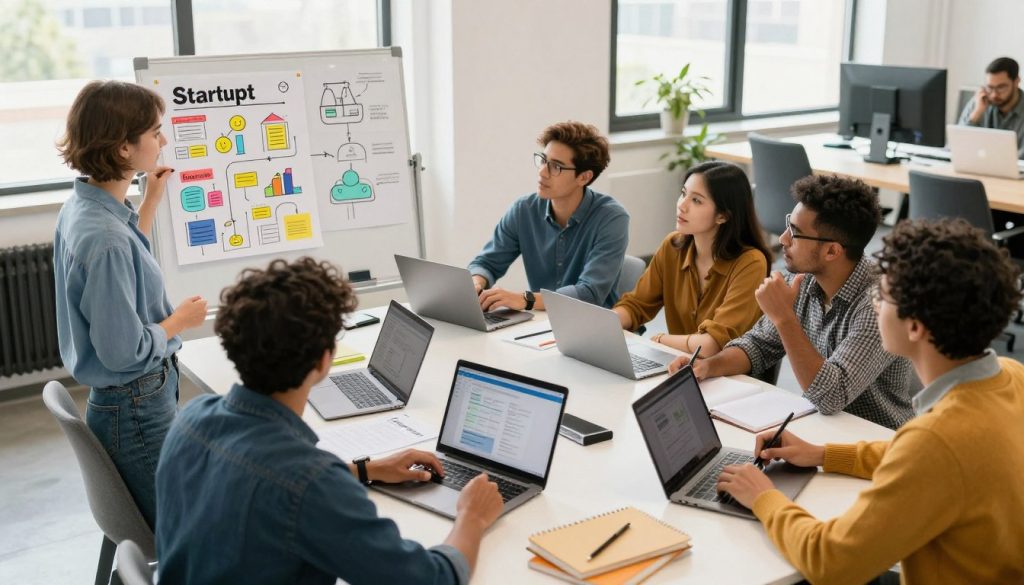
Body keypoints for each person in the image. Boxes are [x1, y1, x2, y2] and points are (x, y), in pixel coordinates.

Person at [155, 258, 504, 584]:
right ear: (324, 362)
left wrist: (364, 470)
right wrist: (471, 516)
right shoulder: (308, 482)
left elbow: (262, 481)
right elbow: (432, 579)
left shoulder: (190, 421)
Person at [715, 218, 1024, 584]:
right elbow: (929, 456)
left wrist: (764, 497)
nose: (874, 303)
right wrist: (822, 454)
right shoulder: (1010, 374)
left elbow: (829, 562)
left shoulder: (935, 442)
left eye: (885, 295)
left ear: (915, 327)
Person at [53, 80, 207, 527]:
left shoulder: (85, 209)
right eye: (155, 132)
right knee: (196, 530)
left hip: (129, 403)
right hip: (138, 406)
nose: (163, 141)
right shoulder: (107, 240)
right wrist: (179, 320)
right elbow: (124, 351)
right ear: (124, 148)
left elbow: (118, 275)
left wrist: (150, 204)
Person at [669, 174, 916, 429]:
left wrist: (784, 317)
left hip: (876, 440)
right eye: (789, 224)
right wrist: (708, 366)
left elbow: (832, 396)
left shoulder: (879, 303)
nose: (783, 239)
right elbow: (758, 345)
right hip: (820, 426)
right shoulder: (803, 279)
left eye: (796, 233)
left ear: (832, 251)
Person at [613, 161, 770, 356]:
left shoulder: (751, 262)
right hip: (678, 365)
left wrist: (660, 340)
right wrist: (605, 324)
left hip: (726, 376)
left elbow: (713, 344)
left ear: (723, 216)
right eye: (683, 193)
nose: (682, 205)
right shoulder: (673, 246)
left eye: (696, 200)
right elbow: (637, 305)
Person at [469, 121, 629, 311]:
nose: (542, 172)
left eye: (556, 167)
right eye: (543, 160)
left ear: (584, 177)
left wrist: (525, 299)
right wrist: (476, 283)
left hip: (592, 326)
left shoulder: (611, 218)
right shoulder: (524, 210)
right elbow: (486, 263)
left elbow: (589, 294)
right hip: (540, 323)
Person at [958, 56, 1024, 157]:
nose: (994, 95)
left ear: (1016, 81)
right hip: (978, 168)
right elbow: (958, 144)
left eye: (1001, 87)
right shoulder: (980, 101)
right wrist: (976, 114)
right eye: (990, 87)